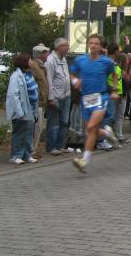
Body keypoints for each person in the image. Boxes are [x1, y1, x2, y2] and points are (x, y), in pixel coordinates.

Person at [70, 34, 120, 173]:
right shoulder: (80, 60)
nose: (93, 45)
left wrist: (114, 90)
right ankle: (107, 133)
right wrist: (75, 81)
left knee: (91, 127)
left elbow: (115, 75)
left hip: (101, 97)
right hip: (86, 99)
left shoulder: (106, 62)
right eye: (91, 43)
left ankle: (84, 161)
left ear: (100, 46)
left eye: (96, 44)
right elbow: (72, 74)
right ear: (88, 44)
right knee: (92, 131)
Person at [5, 53, 38, 166]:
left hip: (30, 109)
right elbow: (14, 95)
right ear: (25, 62)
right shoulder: (16, 76)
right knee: (19, 133)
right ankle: (16, 155)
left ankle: (27, 154)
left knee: (28, 133)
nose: (32, 62)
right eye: (30, 60)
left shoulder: (29, 74)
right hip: (21, 110)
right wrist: (19, 112)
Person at [45, 37, 71, 154]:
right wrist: (51, 98)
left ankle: (60, 145)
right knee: (54, 123)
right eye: (66, 46)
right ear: (59, 47)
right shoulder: (51, 60)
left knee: (64, 122)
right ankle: (52, 147)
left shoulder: (63, 59)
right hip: (56, 97)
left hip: (66, 96)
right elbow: (49, 80)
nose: (68, 48)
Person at [30, 44, 50, 158]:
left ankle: (33, 149)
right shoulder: (34, 66)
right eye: (46, 53)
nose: (48, 55)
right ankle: (31, 150)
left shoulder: (42, 66)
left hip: (41, 102)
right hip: (36, 102)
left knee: (39, 127)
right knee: (36, 127)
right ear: (40, 54)